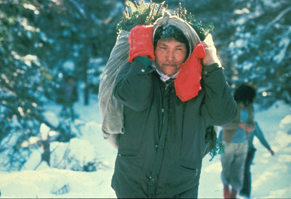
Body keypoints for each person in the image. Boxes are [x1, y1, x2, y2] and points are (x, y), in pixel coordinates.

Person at [111, 13, 237, 198]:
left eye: (178, 48)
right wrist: (142, 58)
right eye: (163, 47)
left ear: (189, 51)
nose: (170, 56)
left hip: (180, 187)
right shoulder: (137, 72)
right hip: (132, 184)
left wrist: (212, 66)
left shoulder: (202, 84)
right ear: (153, 48)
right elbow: (133, 99)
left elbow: (223, 116)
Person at [220, 84, 256, 199]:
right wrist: (239, 125)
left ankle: (233, 194)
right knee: (227, 168)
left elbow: (252, 123)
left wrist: (250, 127)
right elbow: (223, 123)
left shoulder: (249, 107)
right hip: (229, 142)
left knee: (239, 170)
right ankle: (226, 189)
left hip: (243, 143)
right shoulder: (232, 105)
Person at [239, 121, 275, 198]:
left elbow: (261, 137)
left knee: (245, 169)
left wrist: (269, 148)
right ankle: (241, 190)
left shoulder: (253, 124)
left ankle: (246, 192)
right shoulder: (237, 123)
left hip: (249, 151)